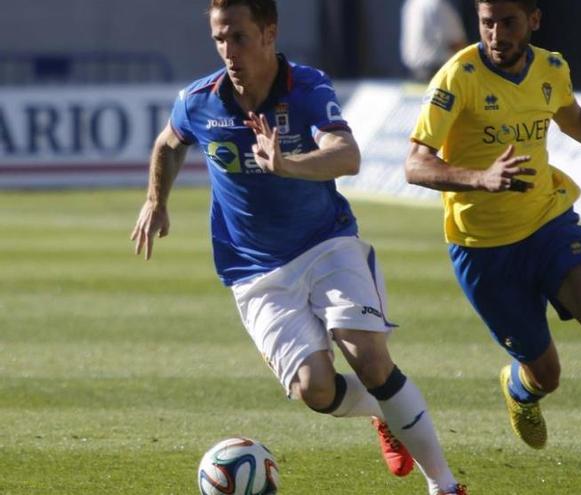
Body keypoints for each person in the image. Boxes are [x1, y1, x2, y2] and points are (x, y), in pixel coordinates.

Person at [129, 1, 466, 494]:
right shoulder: (199, 99)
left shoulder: (306, 87)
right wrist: (155, 200)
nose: (228, 51)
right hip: (253, 269)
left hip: (325, 243)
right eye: (220, 39)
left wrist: (288, 163)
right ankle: (384, 411)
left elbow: (346, 155)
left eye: (239, 37)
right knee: (316, 389)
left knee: (369, 358)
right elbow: (168, 143)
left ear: (269, 34)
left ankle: (444, 484)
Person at [403, 1, 581, 494]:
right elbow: (415, 164)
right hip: (484, 250)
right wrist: (480, 178)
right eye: (487, 22)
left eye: (509, 22)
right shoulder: (457, 77)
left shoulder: (552, 68)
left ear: (534, 20)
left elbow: (577, 121)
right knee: (546, 374)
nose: (496, 34)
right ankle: (520, 389)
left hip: (549, 224)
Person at [401, 0, 468, 82]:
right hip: (436, 72)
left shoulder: (412, 4)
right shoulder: (438, 4)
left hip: (414, 72)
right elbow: (456, 42)